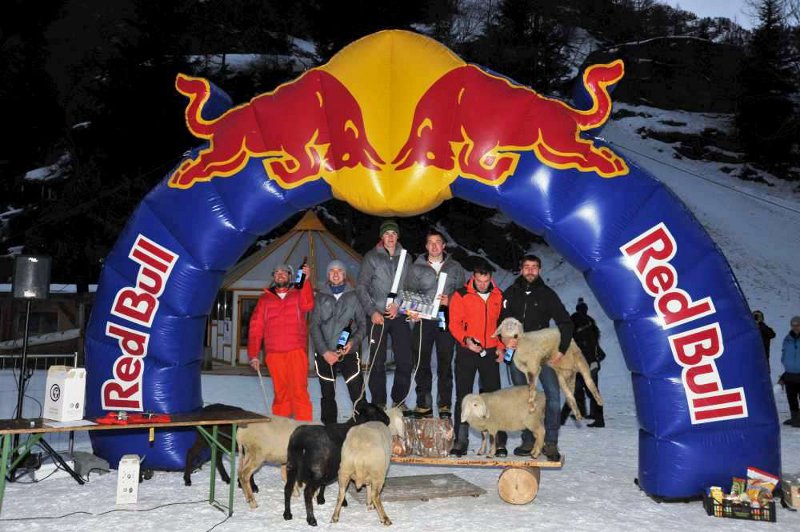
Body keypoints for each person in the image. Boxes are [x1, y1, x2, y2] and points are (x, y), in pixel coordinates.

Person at [500, 255, 573, 461]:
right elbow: (501, 320)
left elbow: (565, 322)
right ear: (521, 269)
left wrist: (561, 349)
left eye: (534, 267)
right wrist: (506, 339)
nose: (530, 270)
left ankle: (550, 443)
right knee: (524, 397)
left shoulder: (547, 294)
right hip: (519, 356)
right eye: (526, 267)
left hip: (543, 354)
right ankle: (528, 440)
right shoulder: (511, 293)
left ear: (539, 270)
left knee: (553, 396)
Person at [448, 259, 506, 457]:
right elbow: (453, 324)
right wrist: (466, 340)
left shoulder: (498, 295)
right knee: (463, 396)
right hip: (466, 351)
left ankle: (497, 441)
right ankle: (460, 440)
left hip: (489, 352)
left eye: (486, 280)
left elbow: (502, 324)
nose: (482, 284)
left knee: (494, 398)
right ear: (473, 277)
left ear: (491, 278)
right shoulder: (460, 295)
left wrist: (501, 346)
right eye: (479, 280)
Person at [406, 229, 466, 418]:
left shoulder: (455, 267)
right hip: (423, 320)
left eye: (437, 242)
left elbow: (464, 295)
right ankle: (423, 403)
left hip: (446, 319)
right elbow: (407, 293)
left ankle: (445, 404)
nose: (434, 246)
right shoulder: (416, 267)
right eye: (430, 242)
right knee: (421, 362)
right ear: (426, 246)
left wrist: (452, 301)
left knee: (445, 362)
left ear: (443, 245)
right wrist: (412, 311)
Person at [356, 219, 414, 411]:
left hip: (399, 315)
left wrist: (399, 305)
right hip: (377, 316)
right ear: (381, 236)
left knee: (405, 360)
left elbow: (410, 287)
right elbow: (362, 286)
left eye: (393, 233)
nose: (390, 237)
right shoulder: (372, 257)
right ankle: (379, 402)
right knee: (377, 362)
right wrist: (372, 311)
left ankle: (399, 401)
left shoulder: (406, 258)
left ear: (398, 236)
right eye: (387, 233)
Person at [248, 262, 314, 420]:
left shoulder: (298, 293)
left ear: (290, 276)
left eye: (284, 272)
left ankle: (303, 427)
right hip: (274, 354)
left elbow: (308, 305)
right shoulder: (265, 299)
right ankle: (281, 428)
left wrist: (306, 282)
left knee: (299, 391)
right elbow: (255, 328)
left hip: (296, 351)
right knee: (280, 393)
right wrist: (253, 355)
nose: (280, 274)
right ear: (273, 277)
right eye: (277, 272)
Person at [310, 260, 365, 424]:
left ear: (344, 275)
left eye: (339, 271)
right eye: (332, 271)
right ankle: (329, 430)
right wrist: (324, 352)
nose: (335, 273)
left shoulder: (355, 296)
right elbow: (314, 326)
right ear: (328, 275)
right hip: (325, 353)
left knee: (357, 393)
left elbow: (363, 325)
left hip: (348, 352)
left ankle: (362, 426)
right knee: (327, 394)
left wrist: (353, 343)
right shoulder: (320, 297)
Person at [560, 297, 605, 428]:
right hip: (592, 362)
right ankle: (592, 415)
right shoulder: (591, 321)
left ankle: (563, 418)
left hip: (584, 362)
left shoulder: (574, 320)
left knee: (578, 389)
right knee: (591, 390)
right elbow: (596, 339)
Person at [779, 316, 800, 427]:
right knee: (791, 398)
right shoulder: (787, 339)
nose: (795, 327)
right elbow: (785, 355)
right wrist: (784, 375)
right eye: (793, 325)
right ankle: (795, 418)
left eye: (797, 325)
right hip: (790, 374)